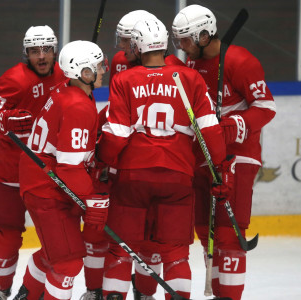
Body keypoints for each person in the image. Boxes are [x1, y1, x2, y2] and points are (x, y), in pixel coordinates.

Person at [97, 19, 234, 300]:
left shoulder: (124, 80)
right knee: (175, 255)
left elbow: (117, 135)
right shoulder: (189, 78)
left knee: (121, 251)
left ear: (137, 45)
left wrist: (101, 162)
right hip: (178, 177)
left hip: (132, 178)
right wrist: (219, 171)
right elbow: (210, 130)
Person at [172, 5, 277, 300]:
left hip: (238, 157)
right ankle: (220, 292)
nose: (181, 46)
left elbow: (267, 107)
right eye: (177, 40)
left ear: (204, 35)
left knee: (229, 236)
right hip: (203, 155)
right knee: (206, 230)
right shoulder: (190, 63)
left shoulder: (240, 61)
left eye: (186, 39)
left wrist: (234, 124)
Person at [13, 40, 109, 300]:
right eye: (98, 66)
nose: (103, 70)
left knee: (54, 253)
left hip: (42, 181)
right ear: (84, 73)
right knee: (68, 262)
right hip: (48, 188)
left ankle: (27, 295)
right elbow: (69, 169)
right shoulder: (78, 106)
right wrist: (93, 200)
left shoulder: (65, 89)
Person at [0, 25, 65, 300]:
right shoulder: (14, 80)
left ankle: (32, 290)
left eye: (47, 49)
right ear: (26, 53)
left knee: (58, 239)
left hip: (48, 174)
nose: (41, 56)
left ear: (55, 50)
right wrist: (4, 121)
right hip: (11, 174)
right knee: (7, 235)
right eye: (35, 51)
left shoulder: (66, 76)